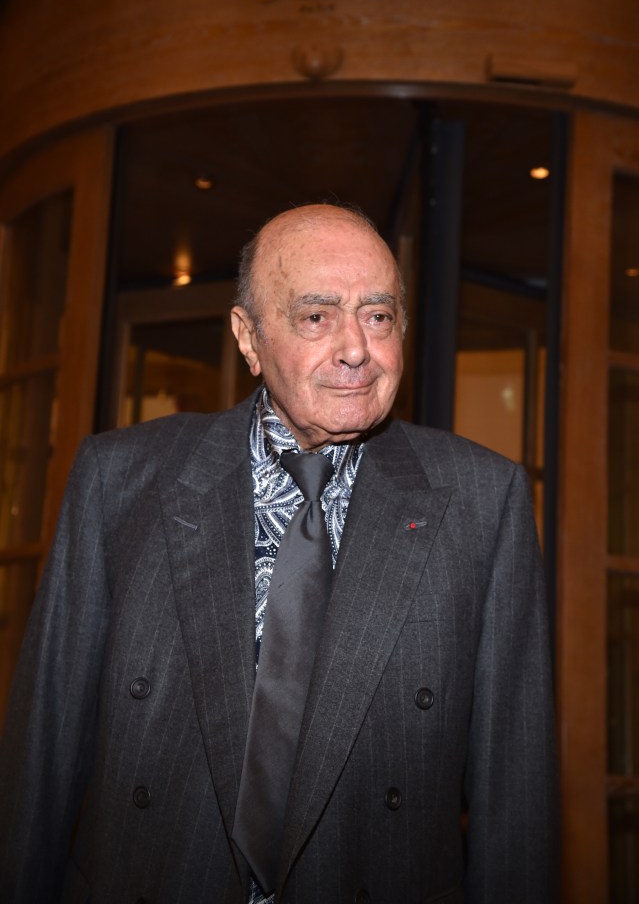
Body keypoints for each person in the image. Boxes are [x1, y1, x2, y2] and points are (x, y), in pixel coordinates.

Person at [0, 203, 558, 903]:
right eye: (316, 316)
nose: (356, 347)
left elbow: (515, 796)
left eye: (378, 315)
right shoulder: (122, 480)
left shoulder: (483, 500)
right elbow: (41, 759)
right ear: (249, 337)